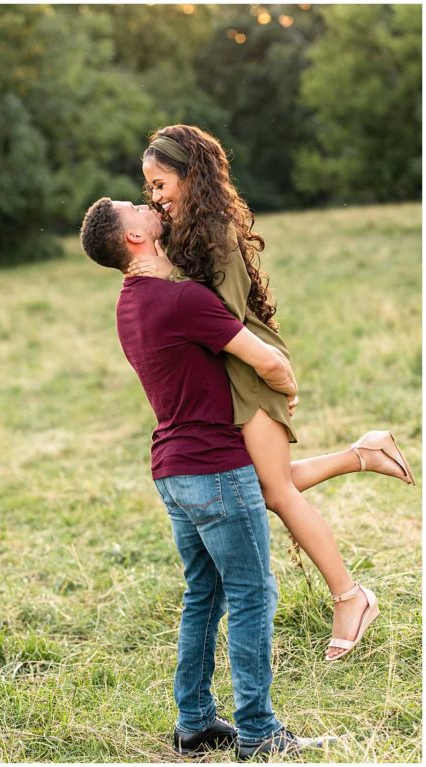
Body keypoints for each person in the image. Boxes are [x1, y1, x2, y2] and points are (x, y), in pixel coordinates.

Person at [128, 124, 413, 660]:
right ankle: (364, 453)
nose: (156, 196)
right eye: (150, 188)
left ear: (191, 175)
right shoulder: (185, 226)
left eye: (161, 183)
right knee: (258, 486)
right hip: (230, 370)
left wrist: (167, 276)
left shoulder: (213, 232)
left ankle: (351, 597)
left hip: (249, 368)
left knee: (273, 492)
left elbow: (224, 315)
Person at [80, 197, 334, 759]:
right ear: (135, 239)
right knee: (252, 593)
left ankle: (194, 721)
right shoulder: (181, 300)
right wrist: (288, 389)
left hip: (174, 472)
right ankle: (261, 731)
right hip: (215, 468)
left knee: (206, 593)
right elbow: (265, 360)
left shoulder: (131, 303)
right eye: (135, 208)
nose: (147, 205)